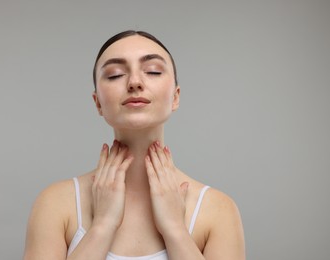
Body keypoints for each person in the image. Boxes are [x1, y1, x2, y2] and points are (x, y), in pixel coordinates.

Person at [23, 30, 245, 260]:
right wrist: (103, 226)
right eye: (115, 74)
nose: (135, 82)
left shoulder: (218, 210)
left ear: (176, 96)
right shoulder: (55, 204)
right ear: (98, 102)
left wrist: (175, 231)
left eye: (153, 71)